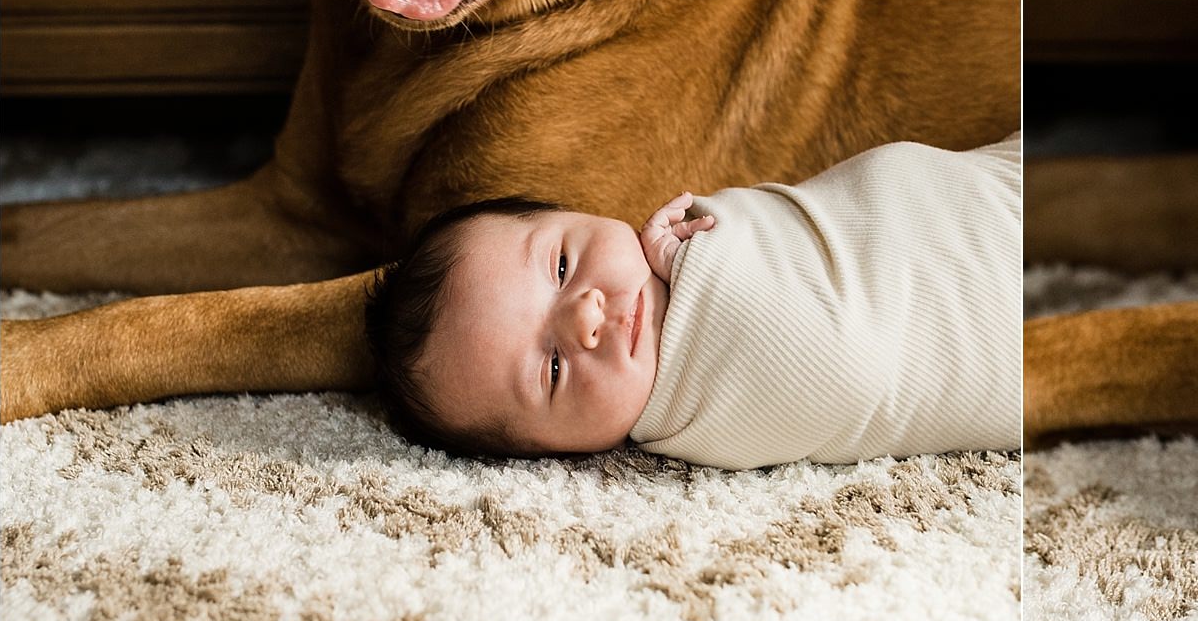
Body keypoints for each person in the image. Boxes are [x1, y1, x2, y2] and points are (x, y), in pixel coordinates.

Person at [361, 133, 1019, 465]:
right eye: (553, 368)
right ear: (560, 451)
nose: (587, 315)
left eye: (562, 265)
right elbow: (847, 366)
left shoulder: (675, 258)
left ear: (572, 209)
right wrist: (702, 266)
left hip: (962, 197)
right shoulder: (691, 411)